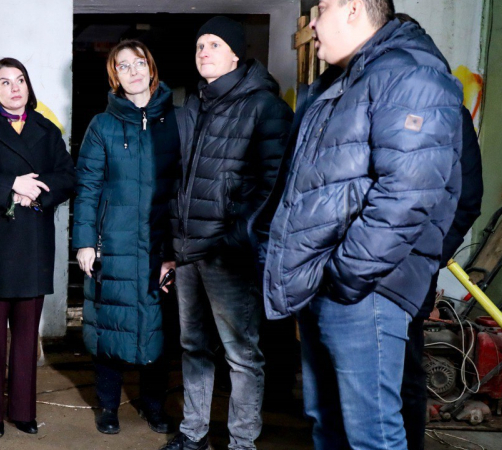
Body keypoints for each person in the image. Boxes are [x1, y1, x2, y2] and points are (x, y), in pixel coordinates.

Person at [263, 0, 463, 449]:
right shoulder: (348, 80)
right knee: (328, 424)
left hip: (365, 291)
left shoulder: (409, 75)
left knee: (370, 435)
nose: (312, 24)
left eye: (322, 9)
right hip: (328, 284)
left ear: (354, 8)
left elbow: (407, 195)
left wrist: (346, 275)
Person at [162, 16, 293, 450]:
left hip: (227, 254)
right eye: (200, 45)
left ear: (236, 54)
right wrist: (171, 247)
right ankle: (193, 434)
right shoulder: (194, 106)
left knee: (241, 353)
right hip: (188, 251)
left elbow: (274, 186)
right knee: (193, 347)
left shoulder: (264, 107)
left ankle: (241, 443)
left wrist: (237, 240)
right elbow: (177, 181)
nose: (204, 52)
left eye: (214, 44)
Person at [0, 57, 76, 439]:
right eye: (4, 82)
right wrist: (11, 185)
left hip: (32, 242)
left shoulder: (46, 130)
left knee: (25, 336)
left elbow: (67, 176)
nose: (14, 87)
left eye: (19, 79)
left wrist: (36, 191)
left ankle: (23, 410)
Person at [72, 40, 181, 436]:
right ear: (114, 76)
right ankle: (108, 406)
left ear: (150, 68)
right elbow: (87, 187)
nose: (133, 71)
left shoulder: (177, 122)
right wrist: (85, 241)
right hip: (113, 244)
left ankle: (154, 405)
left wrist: (177, 249)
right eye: (123, 66)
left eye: (139, 63)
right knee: (109, 325)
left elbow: (183, 187)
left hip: (159, 244)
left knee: (157, 327)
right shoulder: (102, 126)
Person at [393, 13, 484, 450]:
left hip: (411, 271)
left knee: (405, 373)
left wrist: (429, 254)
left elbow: (468, 199)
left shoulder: (450, 114)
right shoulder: (371, 108)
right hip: (363, 270)